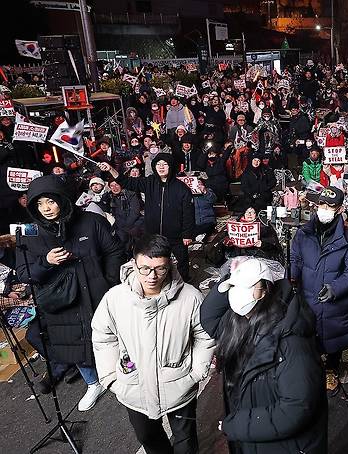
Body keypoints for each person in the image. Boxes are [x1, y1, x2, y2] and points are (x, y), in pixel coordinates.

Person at [92, 235, 215, 454]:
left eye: (160, 269)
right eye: (145, 269)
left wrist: (196, 372)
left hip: (180, 387)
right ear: (133, 264)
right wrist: (111, 377)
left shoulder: (191, 297)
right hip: (134, 388)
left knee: (186, 440)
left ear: (170, 264)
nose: (152, 276)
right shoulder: (115, 298)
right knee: (147, 436)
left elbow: (204, 335)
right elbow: (103, 336)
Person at [16, 174, 123, 411]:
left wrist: (109, 282)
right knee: (73, 343)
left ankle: (120, 376)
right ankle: (92, 383)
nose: (46, 208)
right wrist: (45, 261)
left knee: (110, 336)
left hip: (97, 293)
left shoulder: (91, 220)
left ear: (62, 200)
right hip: (62, 303)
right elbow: (24, 273)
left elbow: (115, 251)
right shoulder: (29, 232)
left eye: (50, 201)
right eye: (40, 203)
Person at [200, 258, 328, 454]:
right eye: (233, 288)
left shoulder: (291, 341)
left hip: (279, 445)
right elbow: (209, 317)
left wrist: (237, 426)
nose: (236, 295)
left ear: (266, 289)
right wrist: (230, 277)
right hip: (252, 432)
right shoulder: (238, 319)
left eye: (245, 288)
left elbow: (295, 409)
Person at [290, 186, 348, 391]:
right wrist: (292, 279)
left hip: (335, 302)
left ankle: (331, 369)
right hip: (307, 298)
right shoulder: (303, 234)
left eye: (330, 205)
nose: (324, 208)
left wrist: (336, 287)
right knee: (308, 337)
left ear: (339, 209)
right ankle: (313, 369)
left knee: (334, 339)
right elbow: (295, 258)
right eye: (321, 204)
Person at [99, 153, 196, 282]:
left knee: (181, 260)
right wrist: (111, 169)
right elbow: (126, 182)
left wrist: (187, 234)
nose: (161, 167)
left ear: (171, 166)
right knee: (156, 261)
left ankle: (184, 283)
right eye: (158, 164)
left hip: (176, 234)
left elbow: (188, 213)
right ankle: (161, 282)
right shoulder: (149, 182)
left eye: (165, 164)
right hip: (153, 233)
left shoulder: (181, 188)